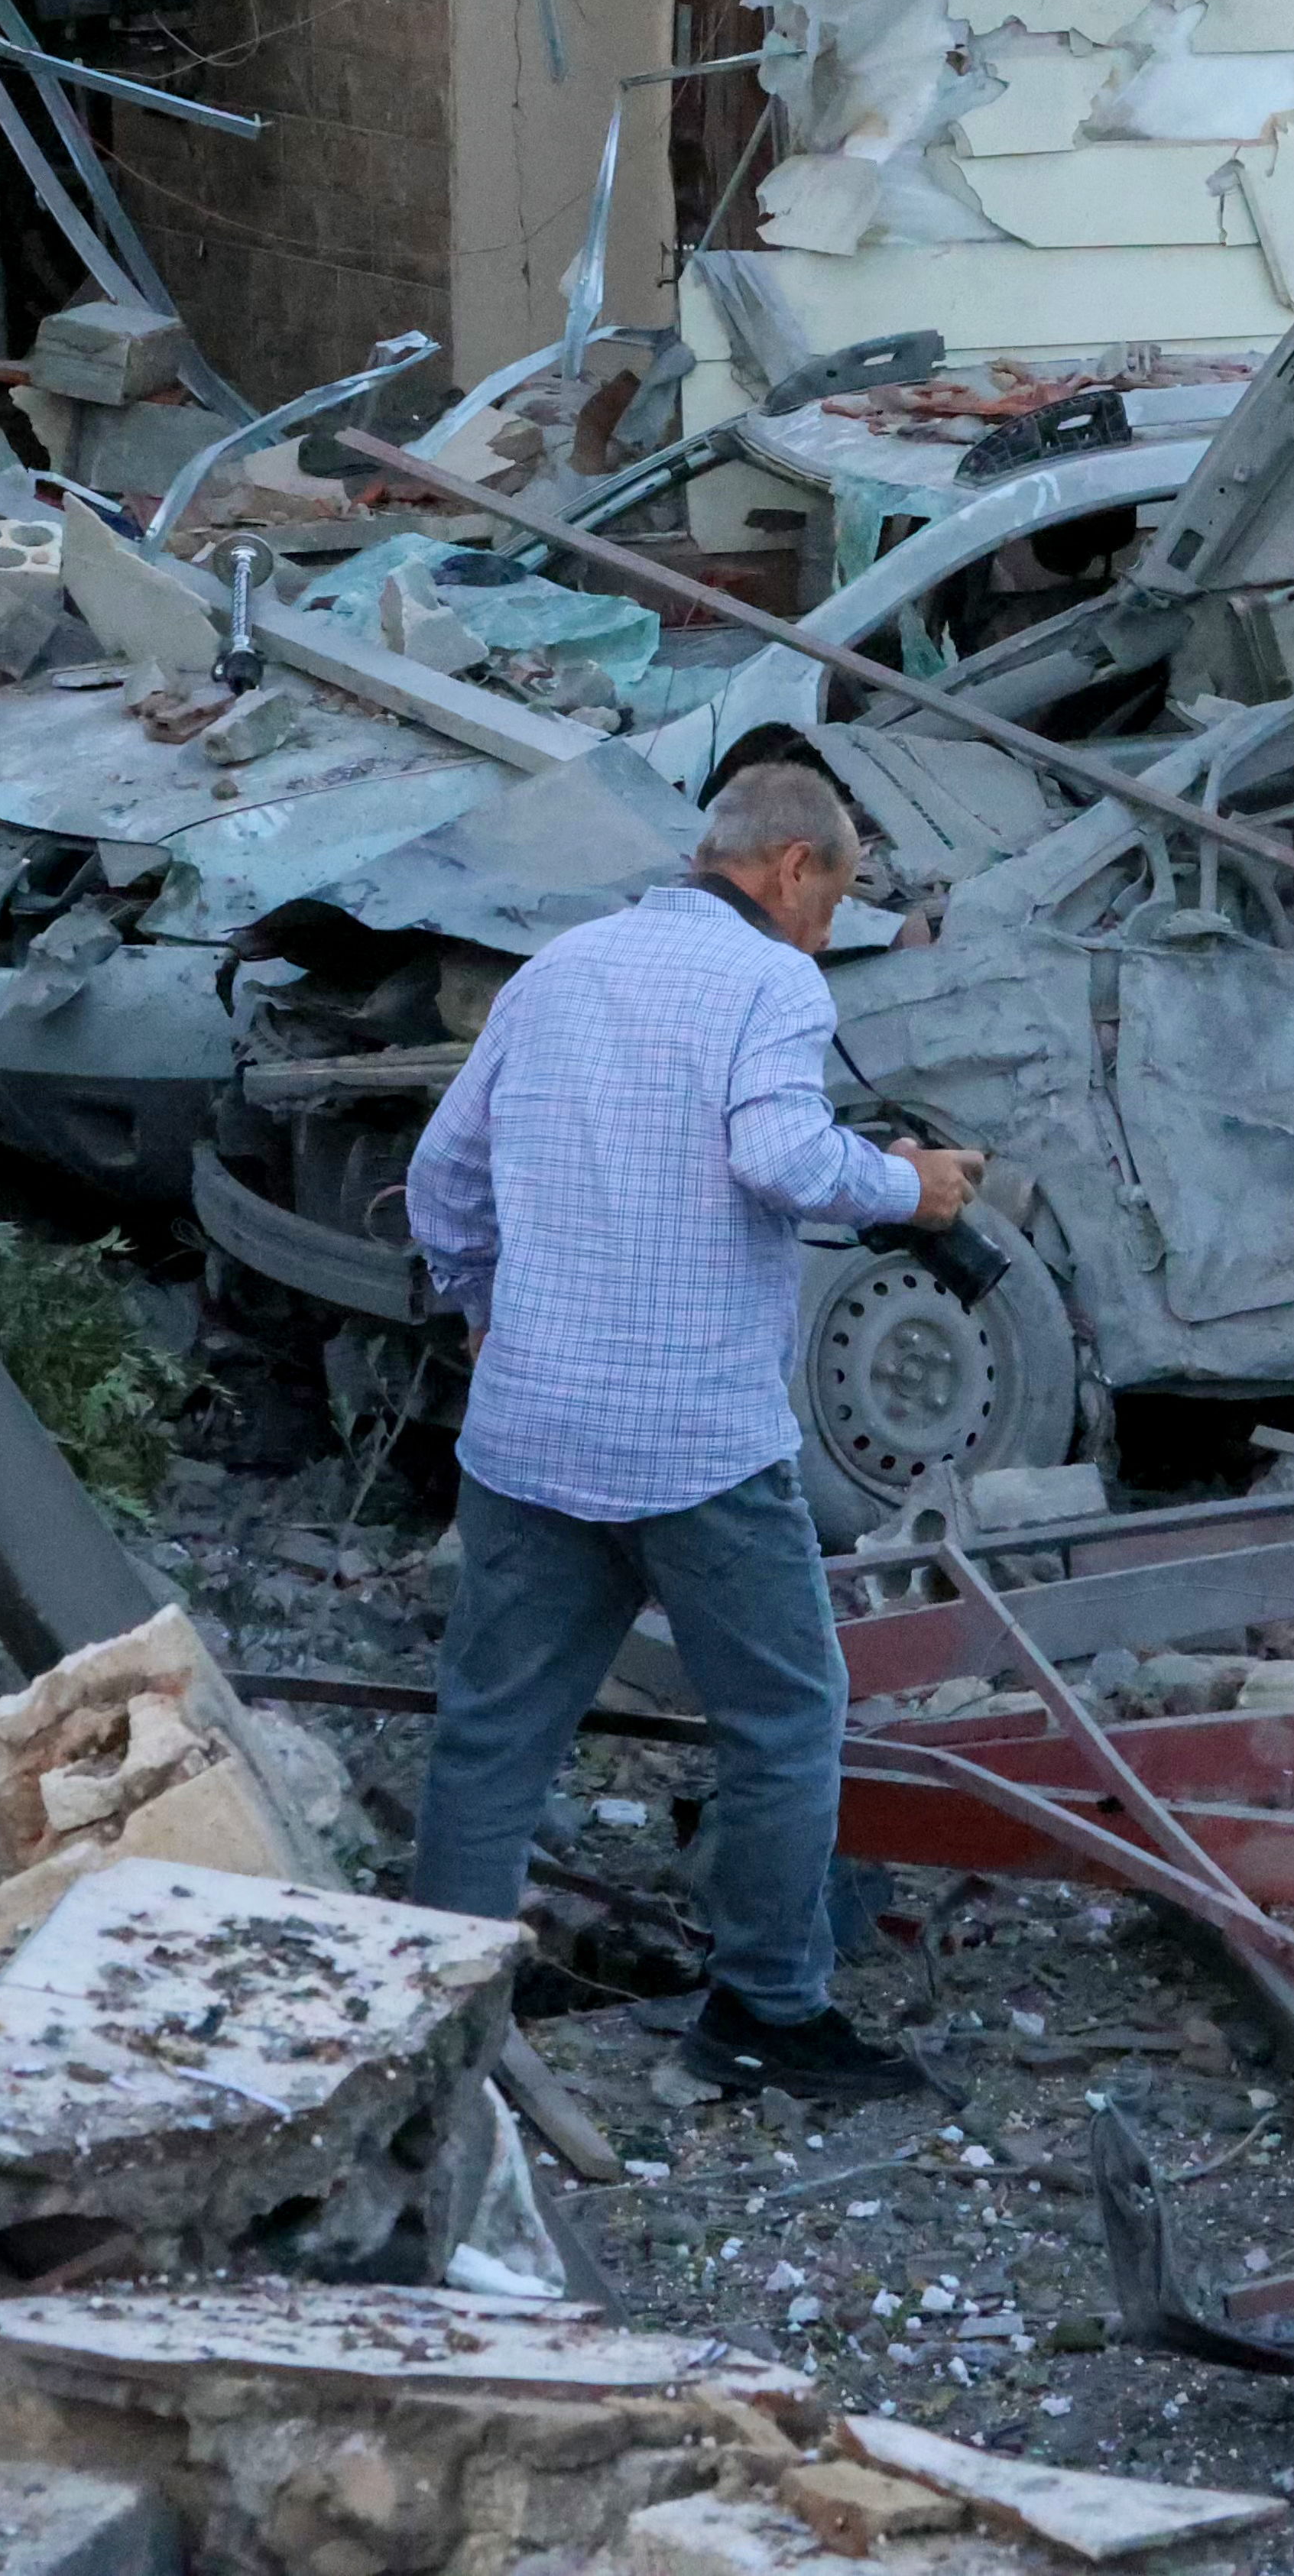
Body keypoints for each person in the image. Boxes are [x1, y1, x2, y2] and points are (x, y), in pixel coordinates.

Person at [402, 755, 979, 2108]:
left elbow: (443, 1174)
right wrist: (910, 1186)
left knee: (493, 1727)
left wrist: (482, 1305)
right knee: (784, 1719)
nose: (827, 932)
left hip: (533, 1425)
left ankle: (430, 2014)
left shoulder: (558, 968)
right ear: (791, 867)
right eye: (831, 901)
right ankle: (764, 2010)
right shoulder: (772, 979)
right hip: (695, 1441)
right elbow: (779, 1157)